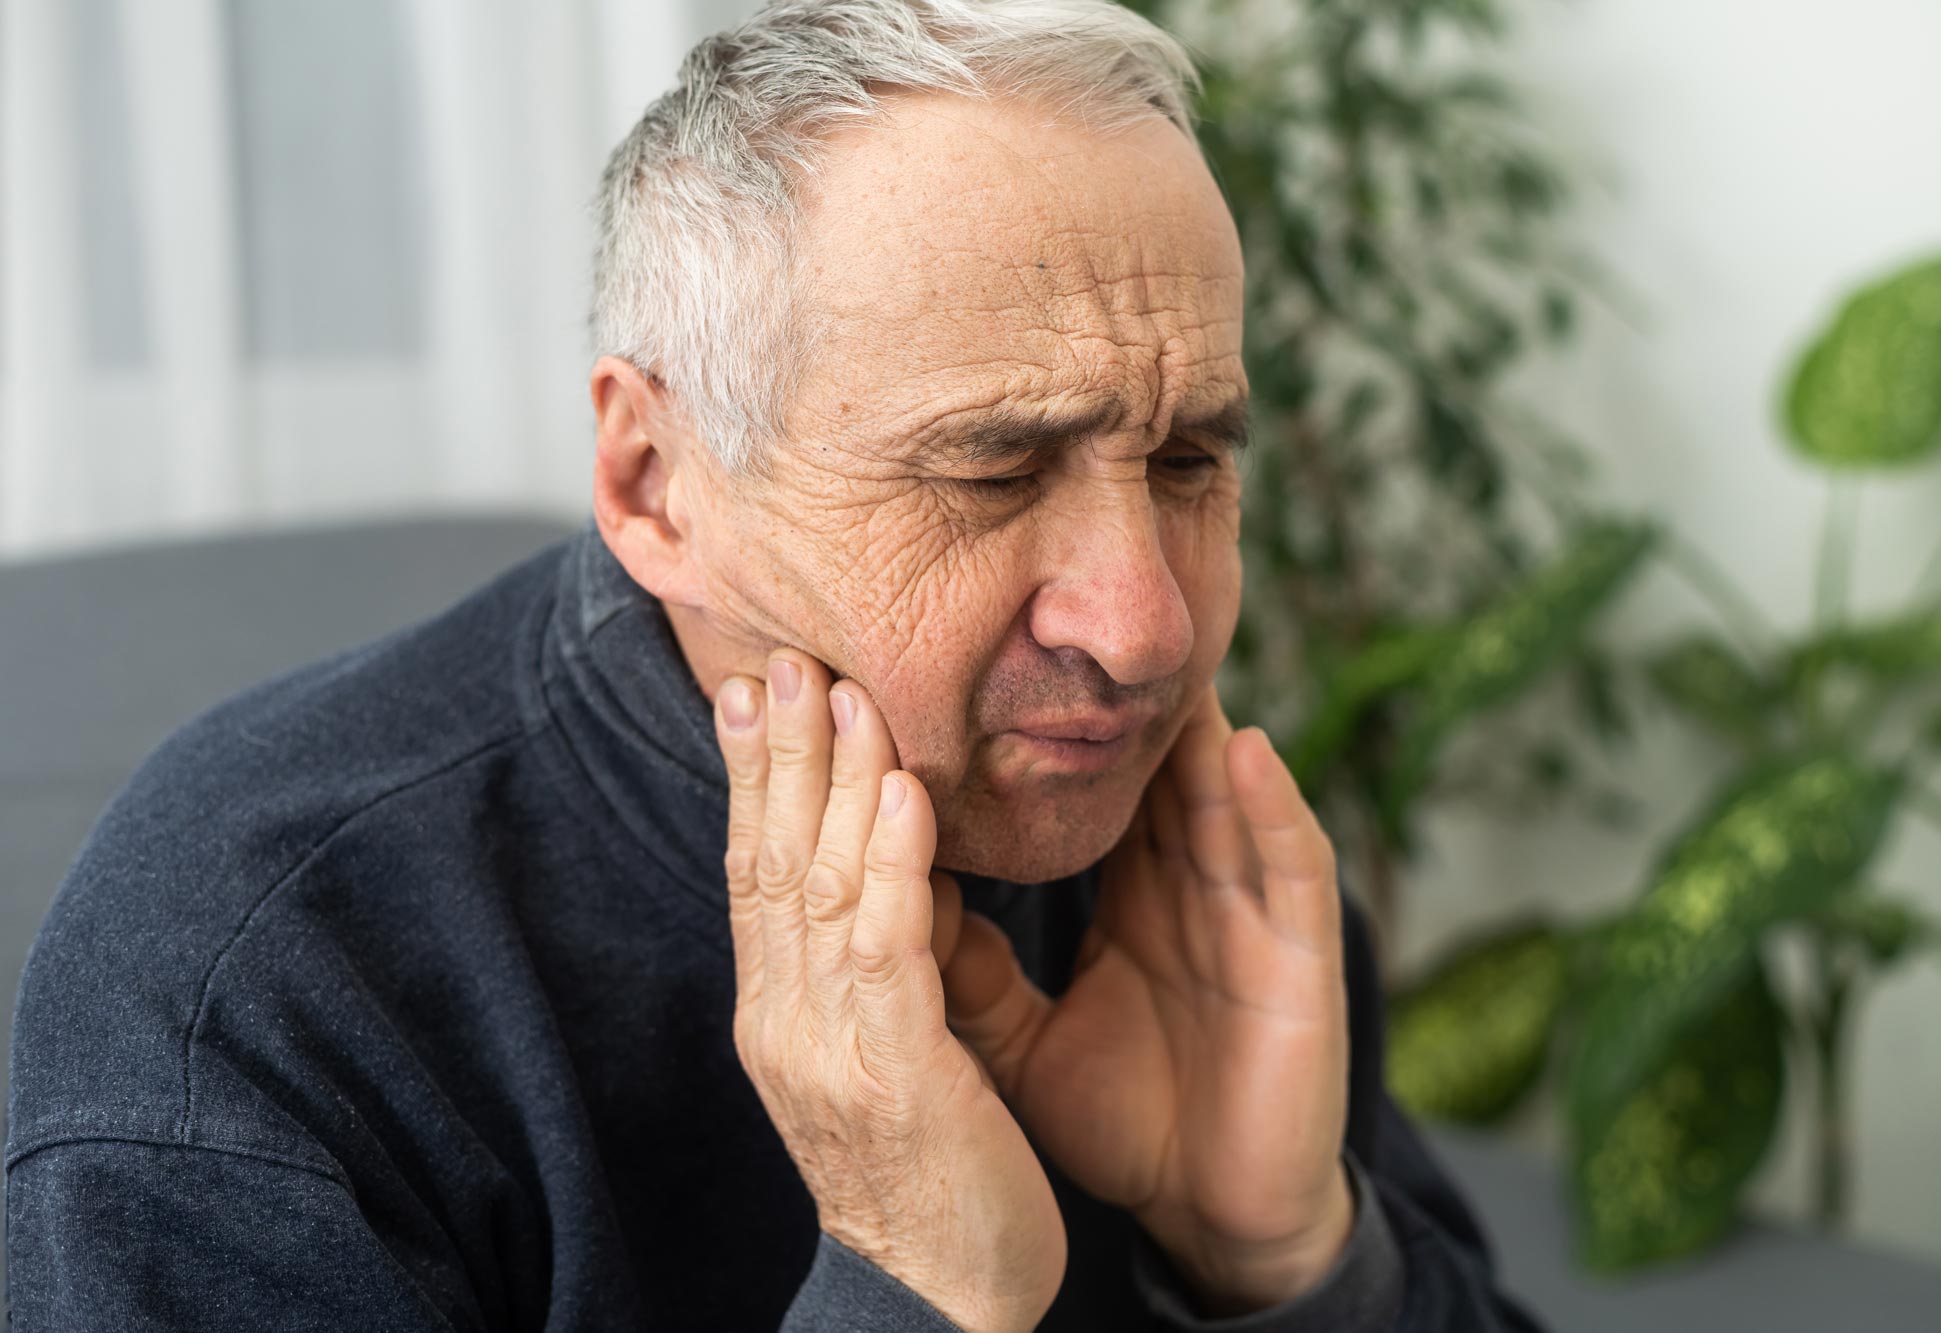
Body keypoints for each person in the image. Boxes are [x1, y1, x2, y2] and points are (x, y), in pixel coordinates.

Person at [4, 2, 1547, 1328]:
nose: (1143, 626)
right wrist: (911, 1279)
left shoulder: (1161, 855)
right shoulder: (252, 1000)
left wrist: (1288, 1260)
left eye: (1193, 456)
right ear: (654, 481)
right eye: (994, 471)